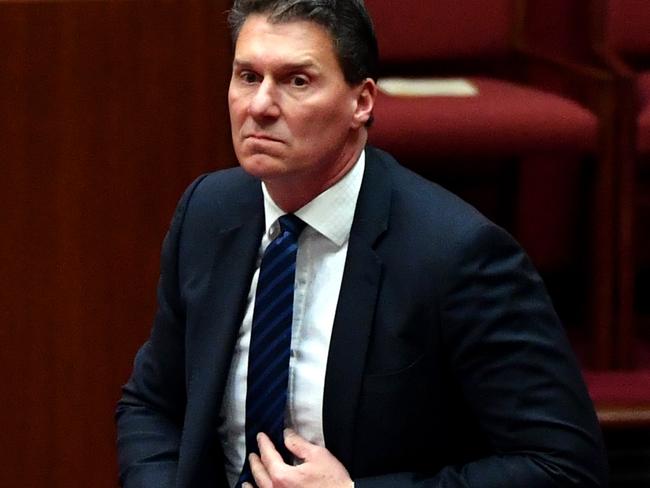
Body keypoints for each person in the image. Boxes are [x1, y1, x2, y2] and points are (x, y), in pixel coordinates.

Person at [116, 1, 608, 487]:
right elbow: (152, 406)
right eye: (247, 76)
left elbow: (563, 467)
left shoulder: (457, 255)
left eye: (297, 81)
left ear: (362, 102)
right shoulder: (209, 213)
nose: (260, 105)